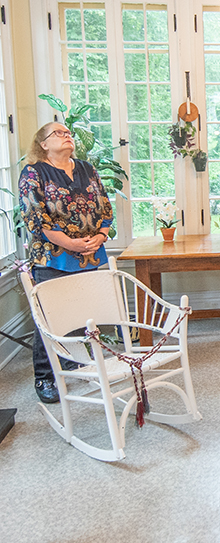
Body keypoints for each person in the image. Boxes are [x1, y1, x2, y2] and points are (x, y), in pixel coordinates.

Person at [19, 122, 113, 403]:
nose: (67, 136)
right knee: (49, 318)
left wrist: (101, 235)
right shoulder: (33, 172)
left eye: (68, 133)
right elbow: (34, 216)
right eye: (58, 133)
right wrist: (68, 243)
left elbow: (104, 206)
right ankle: (45, 376)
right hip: (53, 257)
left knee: (82, 313)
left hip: (90, 254)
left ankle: (72, 362)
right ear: (43, 144)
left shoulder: (86, 168)